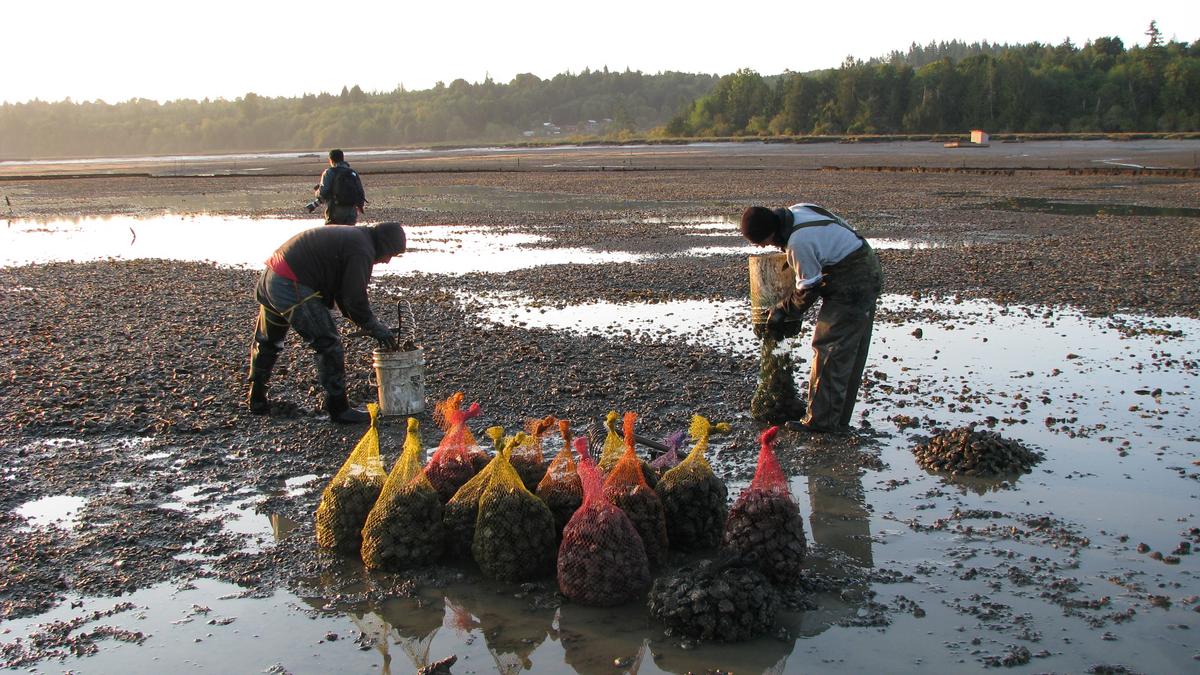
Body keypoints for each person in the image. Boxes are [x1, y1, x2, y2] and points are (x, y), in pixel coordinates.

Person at [740, 203, 883, 433]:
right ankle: (838, 420)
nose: (764, 246)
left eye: (762, 242)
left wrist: (782, 311)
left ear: (769, 233)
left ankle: (821, 423)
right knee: (849, 351)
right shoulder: (798, 211)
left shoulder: (798, 243)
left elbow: (808, 290)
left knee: (828, 348)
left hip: (852, 283)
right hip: (867, 267)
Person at [247, 222, 407, 423]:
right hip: (291, 284)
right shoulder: (362, 249)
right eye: (390, 254)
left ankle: (256, 398)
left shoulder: (357, 238)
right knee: (329, 344)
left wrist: (367, 324)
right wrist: (372, 325)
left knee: (269, 341)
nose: (387, 261)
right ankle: (339, 409)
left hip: (272, 277)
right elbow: (353, 297)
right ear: (383, 245)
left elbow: (343, 294)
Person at [314, 149, 366, 225]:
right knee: (349, 235)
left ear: (330, 160)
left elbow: (323, 192)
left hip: (335, 211)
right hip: (351, 211)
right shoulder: (352, 172)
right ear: (342, 158)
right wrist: (360, 207)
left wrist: (316, 192)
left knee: (333, 235)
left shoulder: (329, 172)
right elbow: (361, 192)